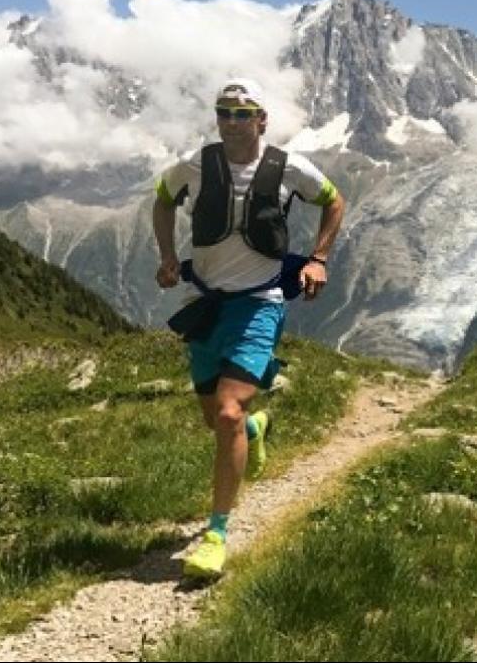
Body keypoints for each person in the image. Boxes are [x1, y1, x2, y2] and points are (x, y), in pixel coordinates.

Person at [152, 78, 344, 579]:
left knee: (229, 412)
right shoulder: (195, 165)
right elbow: (162, 198)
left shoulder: (289, 168)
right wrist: (169, 257)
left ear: (262, 120)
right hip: (204, 302)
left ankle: (216, 534)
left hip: (259, 303)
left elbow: (333, 200)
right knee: (214, 418)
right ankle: (256, 429)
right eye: (224, 113)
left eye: (243, 113)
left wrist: (319, 258)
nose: (233, 122)